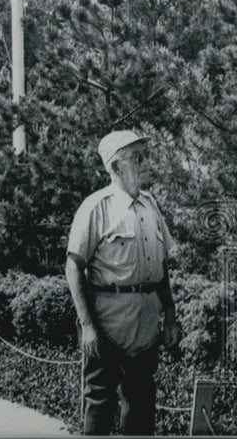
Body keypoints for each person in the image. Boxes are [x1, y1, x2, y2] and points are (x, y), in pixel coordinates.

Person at [65, 130, 182, 435]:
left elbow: (161, 267)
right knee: (100, 403)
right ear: (116, 167)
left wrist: (170, 315)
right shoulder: (96, 207)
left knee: (141, 405)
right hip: (108, 326)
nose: (146, 164)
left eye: (147, 156)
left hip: (145, 327)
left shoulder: (150, 205)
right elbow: (73, 267)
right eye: (137, 158)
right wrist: (88, 325)